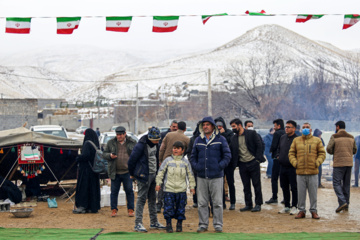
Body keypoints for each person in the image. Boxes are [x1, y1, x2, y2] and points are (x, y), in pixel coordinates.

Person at [190, 116, 231, 233]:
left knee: (217, 202)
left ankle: (218, 225)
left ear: (213, 126)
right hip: (201, 176)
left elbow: (227, 155)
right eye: (204, 125)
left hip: (217, 176)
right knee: (202, 203)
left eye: (208, 124)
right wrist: (197, 167)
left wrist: (219, 166)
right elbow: (193, 157)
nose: (205, 126)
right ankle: (203, 224)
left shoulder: (221, 139)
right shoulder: (198, 140)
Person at [128, 126, 166, 232]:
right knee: (141, 199)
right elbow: (131, 161)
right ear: (150, 137)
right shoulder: (140, 146)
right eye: (156, 139)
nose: (157, 141)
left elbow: (157, 158)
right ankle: (138, 223)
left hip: (154, 174)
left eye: (158, 139)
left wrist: (158, 172)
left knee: (153, 199)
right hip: (143, 175)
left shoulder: (156, 144)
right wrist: (132, 174)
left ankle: (154, 222)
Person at [156, 141, 196, 233]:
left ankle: (179, 224)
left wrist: (192, 187)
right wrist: (158, 183)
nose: (175, 150)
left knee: (180, 208)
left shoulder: (185, 162)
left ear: (182, 150)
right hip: (169, 189)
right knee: (168, 208)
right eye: (174, 148)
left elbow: (190, 175)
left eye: (178, 148)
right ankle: (168, 224)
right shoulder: (167, 160)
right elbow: (160, 172)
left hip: (181, 190)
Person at [289, 122, 326, 219]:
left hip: (313, 172)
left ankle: (313, 211)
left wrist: (317, 163)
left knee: (313, 193)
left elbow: (322, 153)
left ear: (310, 130)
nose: (305, 129)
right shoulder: (296, 140)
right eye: (304, 127)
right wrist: (295, 163)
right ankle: (301, 211)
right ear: (301, 129)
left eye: (307, 127)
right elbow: (291, 153)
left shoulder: (317, 140)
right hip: (300, 172)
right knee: (301, 193)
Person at [229, 118, 264, 213]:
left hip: (253, 162)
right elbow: (232, 151)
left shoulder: (251, 134)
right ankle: (248, 204)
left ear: (239, 125)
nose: (233, 128)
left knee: (256, 184)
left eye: (234, 126)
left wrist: (257, 159)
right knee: (246, 185)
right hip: (242, 164)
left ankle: (258, 204)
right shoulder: (233, 138)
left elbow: (260, 145)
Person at [103, 126, 137, 217]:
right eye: (117, 134)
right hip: (115, 172)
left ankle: (130, 209)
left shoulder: (132, 142)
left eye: (121, 134)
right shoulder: (110, 143)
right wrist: (110, 155)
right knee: (114, 192)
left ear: (125, 134)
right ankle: (114, 209)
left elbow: (137, 154)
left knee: (129, 191)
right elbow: (104, 154)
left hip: (127, 172)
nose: (119, 136)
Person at [157, 121, 190, 213]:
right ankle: (176, 205)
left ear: (177, 127)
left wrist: (160, 160)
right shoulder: (187, 139)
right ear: (185, 129)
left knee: (163, 183)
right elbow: (188, 151)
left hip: (166, 161)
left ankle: (159, 204)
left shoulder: (168, 135)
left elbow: (161, 148)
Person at [326, 121, 357, 213]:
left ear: (338, 127)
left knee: (336, 183)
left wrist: (334, 152)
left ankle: (342, 202)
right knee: (346, 184)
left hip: (338, 163)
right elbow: (354, 150)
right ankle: (346, 204)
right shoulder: (351, 137)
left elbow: (328, 149)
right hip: (349, 163)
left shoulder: (334, 136)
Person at [73, 128, 101, 214]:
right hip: (94, 170)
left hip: (86, 171)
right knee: (92, 189)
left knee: (84, 188)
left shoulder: (87, 144)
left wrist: (78, 158)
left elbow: (86, 156)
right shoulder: (96, 144)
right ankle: (92, 207)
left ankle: (82, 206)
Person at [278, 120, 298, 215]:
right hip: (282, 166)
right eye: (286, 127)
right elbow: (279, 148)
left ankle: (295, 206)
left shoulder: (297, 139)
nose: (286, 128)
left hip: (293, 167)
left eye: (289, 127)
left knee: (294, 187)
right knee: (284, 186)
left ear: (294, 128)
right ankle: (286, 206)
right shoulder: (283, 137)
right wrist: (278, 156)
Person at [157, 120, 178, 212]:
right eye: (173, 127)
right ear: (170, 127)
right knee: (162, 183)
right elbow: (160, 148)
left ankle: (170, 204)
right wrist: (160, 160)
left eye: (176, 127)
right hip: (165, 162)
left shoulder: (179, 136)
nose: (175, 128)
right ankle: (159, 203)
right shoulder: (164, 135)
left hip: (176, 164)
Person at [215, 116, 235, 210]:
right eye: (217, 125)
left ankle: (233, 203)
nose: (219, 127)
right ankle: (222, 202)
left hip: (229, 162)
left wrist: (223, 135)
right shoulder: (213, 134)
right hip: (218, 163)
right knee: (220, 183)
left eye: (220, 125)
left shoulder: (229, 133)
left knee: (231, 182)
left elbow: (230, 145)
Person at [266, 119, 286, 204]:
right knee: (284, 180)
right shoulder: (286, 133)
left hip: (276, 158)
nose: (274, 128)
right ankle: (286, 198)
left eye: (275, 126)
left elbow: (274, 145)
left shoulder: (277, 133)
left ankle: (274, 197)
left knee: (274, 178)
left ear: (279, 126)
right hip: (284, 159)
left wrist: (270, 151)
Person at [186, 121, 201, 208]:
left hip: (206, 166)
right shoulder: (193, 139)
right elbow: (189, 152)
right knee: (195, 183)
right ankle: (195, 200)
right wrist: (193, 162)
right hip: (195, 166)